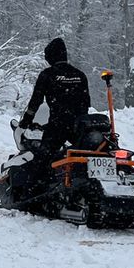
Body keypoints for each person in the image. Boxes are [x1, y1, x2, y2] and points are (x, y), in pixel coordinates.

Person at [19, 37, 90, 177]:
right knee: (81, 155)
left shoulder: (47, 75)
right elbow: (85, 103)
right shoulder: (80, 75)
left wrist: (26, 120)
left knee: (42, 160)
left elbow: (35, 101)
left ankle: (39, 193)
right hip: (80, 126)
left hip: (58, 124)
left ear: (51, 56)